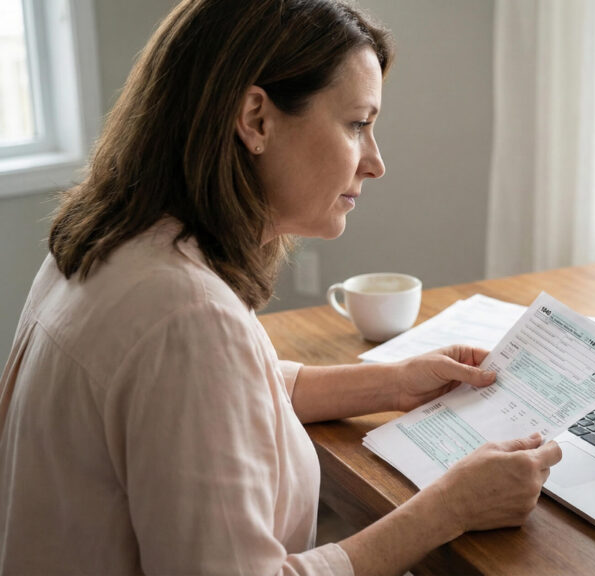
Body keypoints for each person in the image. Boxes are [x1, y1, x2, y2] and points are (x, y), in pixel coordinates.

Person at [0, 2, 561, 575]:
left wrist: (392, 383)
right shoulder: (188, 320)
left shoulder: (113, 239)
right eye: (357, 124)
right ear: (257, 119)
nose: (376, 162)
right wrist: (449, 508)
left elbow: (228, 400)